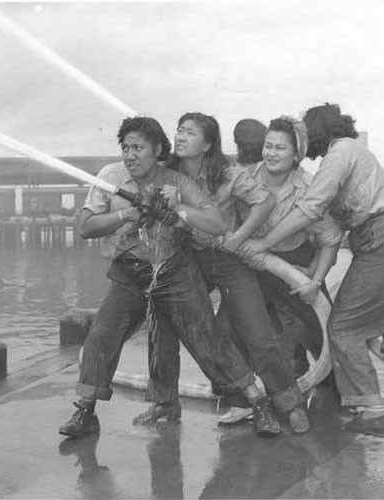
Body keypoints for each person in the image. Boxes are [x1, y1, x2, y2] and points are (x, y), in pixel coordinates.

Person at [242, 103, 384, 437]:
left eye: (306, 133)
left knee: (345, 327)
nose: (303, 140)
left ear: (320, 131)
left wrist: (264, 244)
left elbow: (310, 208)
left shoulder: (340, 152)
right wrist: (315, 268)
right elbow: (334, 227)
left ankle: (371, 411)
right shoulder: (355, 154)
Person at [58, 116, 278, 438]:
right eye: (126, 148)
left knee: (208, 338)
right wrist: (126, 214)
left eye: (139, 148)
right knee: (101, 335)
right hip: (129, 272)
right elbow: (85, 228)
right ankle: (86, 412)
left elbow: (216, 222)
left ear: (157, 150)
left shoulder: (178, 182)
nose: (130, 155)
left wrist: (179, 210)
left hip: (173, 271)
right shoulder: (110, 176)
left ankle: (259, 405)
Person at [136, 112, 310, 434]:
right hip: (187, 257)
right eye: (179, 130)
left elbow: (265, 201)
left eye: (189, 132)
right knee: (163, 321)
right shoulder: (168, 174)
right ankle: (170, 401)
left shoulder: (229, 174)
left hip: (228, 260)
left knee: (256, 331)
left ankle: (290, 403)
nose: (180, 136)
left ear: (208, 144)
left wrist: (239, 237)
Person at [218, 116, 343, 425]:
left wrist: (315, 280)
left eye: (280, 148)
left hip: (296, 262)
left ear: (296, 153)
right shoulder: (244, 177)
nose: (272, 154)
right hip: (251, 264)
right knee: (225, 328)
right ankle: (240, 401)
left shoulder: (310, 187)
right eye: (268, 146)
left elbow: (331, 238)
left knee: (324, 334)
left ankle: (340, 392)